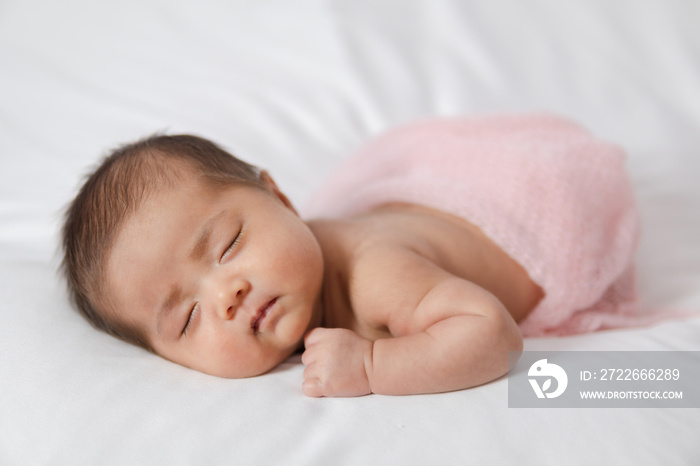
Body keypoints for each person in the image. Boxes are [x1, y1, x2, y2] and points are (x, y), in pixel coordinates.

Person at [61, 114, 641, 397]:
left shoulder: (376, 275)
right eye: (187, 319)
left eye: (229, 246)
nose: (227, 294)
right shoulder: (289, 266)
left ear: (281, 196)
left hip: (527, 205)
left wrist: (371, 366)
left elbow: (493, 335)